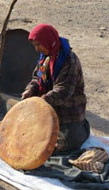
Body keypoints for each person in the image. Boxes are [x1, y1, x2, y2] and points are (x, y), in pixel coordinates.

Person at [21, 24, 90, 153]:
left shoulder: (69, 60)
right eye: (35, 45)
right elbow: (37, 77)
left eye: (38, 44)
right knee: (30, 139)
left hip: (69, 113)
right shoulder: (45, 57)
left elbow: (63, 91)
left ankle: (82, 128)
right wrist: (30, 90)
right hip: (49, 108)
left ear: (49, 41)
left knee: (60, 147)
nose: (36, 49)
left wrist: (41, 101)